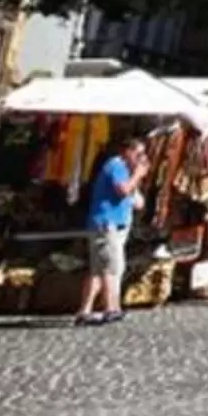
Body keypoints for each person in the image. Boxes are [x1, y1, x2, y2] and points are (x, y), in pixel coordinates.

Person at [77, 133, 148, 322]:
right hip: (107, 224)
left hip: (110, 224)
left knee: (97, 270)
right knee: (112, 267)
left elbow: (136, 201)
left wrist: (136, 181)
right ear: (127, 152)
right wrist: (137, 175)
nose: (141, 159)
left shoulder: (124, 170)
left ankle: (85, 310)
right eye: (138, 154)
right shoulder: (116, 166)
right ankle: (111, 308)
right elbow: (122, 190)